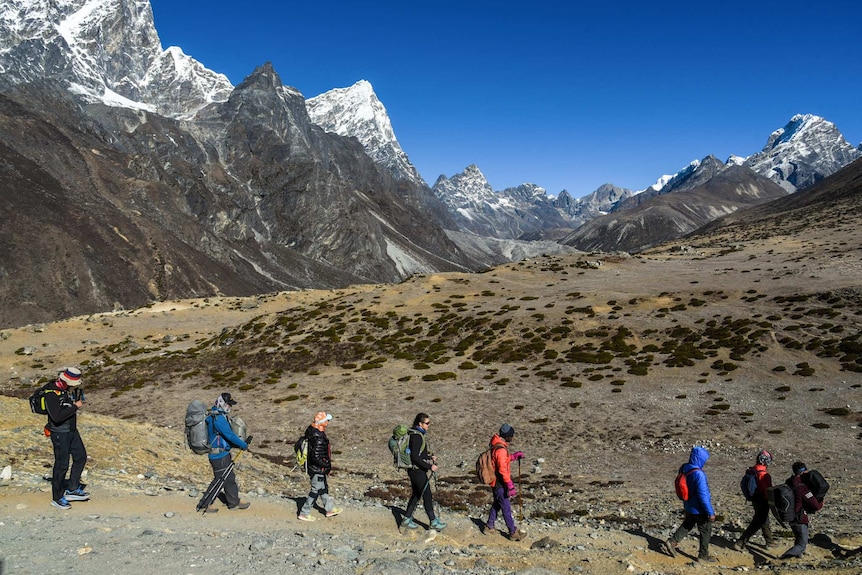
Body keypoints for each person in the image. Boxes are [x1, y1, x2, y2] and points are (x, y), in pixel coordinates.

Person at [43, 367, 89, 510]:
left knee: (81, 457)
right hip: (59, 433)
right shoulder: (51, 394)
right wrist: (75, 406)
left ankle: (73, 488)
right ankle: (57, 498)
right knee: (62, 464)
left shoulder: (66, 391)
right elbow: (57, 416)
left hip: (71, 431)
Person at [663, 446, 717, 563]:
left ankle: (672, 541)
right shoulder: (699, 474)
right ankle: (703, 556)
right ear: (700, 459)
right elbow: (703, 496)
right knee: (705, 530)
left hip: (688, 505)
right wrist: (710, 512)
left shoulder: (684, 468)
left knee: (688, 524)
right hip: (699, 509)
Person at [204, 392, 250, 510]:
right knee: (220, 479)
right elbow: (229, 435)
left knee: (229, 478)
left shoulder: (215, 415)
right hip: (218, 455)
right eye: (229, 404)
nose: (230, 407)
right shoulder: (219, 419)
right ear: (222, 403)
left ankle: (233, 502)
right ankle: (205, 503)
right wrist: (242, 445)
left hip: (222, 452)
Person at [401, 412, 446, 530]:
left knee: (416, 494)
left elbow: (419, 454)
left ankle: (406, 519)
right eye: (426, 423)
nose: (428, 425)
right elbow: (415, 457)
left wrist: (429, 457)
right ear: (420, 423)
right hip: (417, 471)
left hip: (414, 470)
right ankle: (433, 521)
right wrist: (429, 467)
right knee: (427, 495)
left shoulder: (416, 434)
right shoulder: (417, 436)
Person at [483, 423, 525, 541]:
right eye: (511, 435)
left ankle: (489, 526)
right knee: (506, 506)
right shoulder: (500, 449)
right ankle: (513, 532)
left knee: (498, 503)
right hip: (499, 482)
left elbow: (502, 461)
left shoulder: (497, 445)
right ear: (507, 436)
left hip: (495, 482)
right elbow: (502, 469)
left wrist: (513, 456)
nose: (512, 437)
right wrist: (510, 485)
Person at [298, 411, 342, 521]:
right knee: (315, 490)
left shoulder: (313, 433)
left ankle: (330, 509)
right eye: (327, 420)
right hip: (317, 468)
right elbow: (316, 456)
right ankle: (304, 512)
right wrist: (327, 465)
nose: (328, 421)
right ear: (322, 422)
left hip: (316, 468)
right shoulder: (318, 438)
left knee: (323, 488)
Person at [733, 449, 775, 550]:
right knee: (757, 522)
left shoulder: (753, 470)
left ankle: (770, 542)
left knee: (764, 519)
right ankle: (740, 542)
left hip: (755, 499)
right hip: (762, 500)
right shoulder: (764, 475)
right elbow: (767, 491)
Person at [781, 462, 823, 559]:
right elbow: (815, 505)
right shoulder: (802, 487)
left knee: (798, 539)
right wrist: (821, 500)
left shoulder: (788, 482)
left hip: (790, 517)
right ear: (802, 472)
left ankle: (797, 557)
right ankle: (782, 558)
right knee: (802, 545)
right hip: (800, 518)